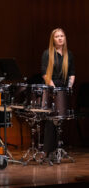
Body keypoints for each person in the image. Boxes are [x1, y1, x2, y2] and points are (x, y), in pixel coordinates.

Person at [41, 28, 75, 158]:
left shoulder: (69, 55)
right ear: (53, 39)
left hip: (64, 89)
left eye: (62, 36)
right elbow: (45, 73)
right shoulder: (47, 54)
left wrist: (69, 87)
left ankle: (56, 150)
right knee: (51, 120)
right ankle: (47, 150)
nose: (60, 38)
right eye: (57, 36)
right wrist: (54, 89)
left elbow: (72, 73)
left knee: (59, 120)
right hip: (51, 87)